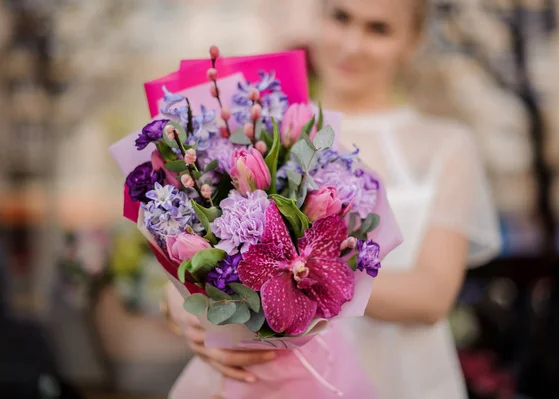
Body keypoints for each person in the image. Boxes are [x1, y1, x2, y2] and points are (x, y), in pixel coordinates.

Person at [164, 0, 501, 398]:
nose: (351, 44)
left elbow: (432, 296)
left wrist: (296, 277)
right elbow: (188, 250)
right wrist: (185, 313)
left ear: (412, 41)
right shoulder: (257, 127)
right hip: (272, 383)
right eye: (340, 18)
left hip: (401, 379)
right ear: (318, 18)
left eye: (379, 29)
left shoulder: (447, 145)